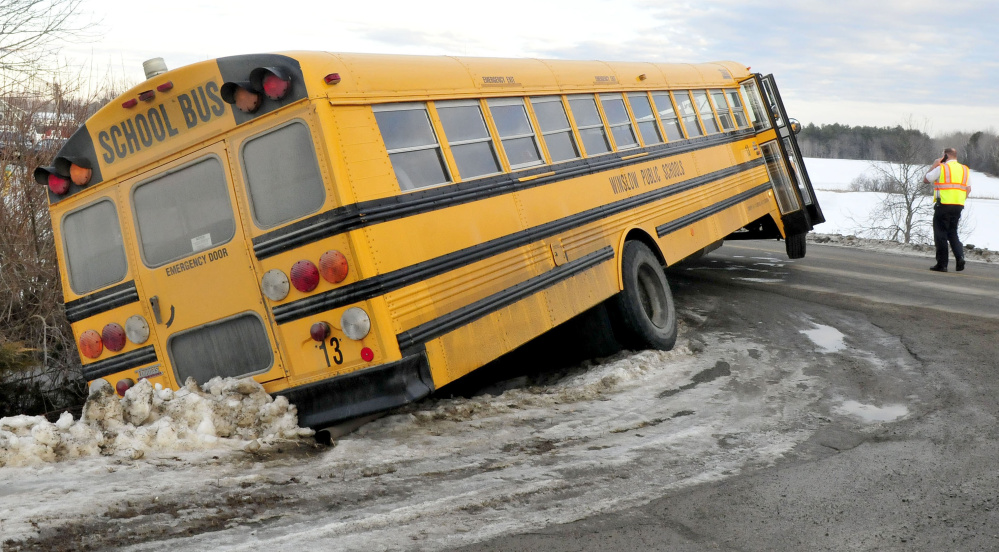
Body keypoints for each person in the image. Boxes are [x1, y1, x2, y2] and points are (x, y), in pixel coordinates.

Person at [923, 147, 971, 272]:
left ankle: (942, 264)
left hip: (943, 205)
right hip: (958, 205)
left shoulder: (942, 168)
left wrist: (934, 165)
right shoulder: (964, 170)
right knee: (953, 233)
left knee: (940, 234)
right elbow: (968, 189)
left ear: (945, 156)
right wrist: (959, 200)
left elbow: (926, 179)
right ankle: (960, 257)